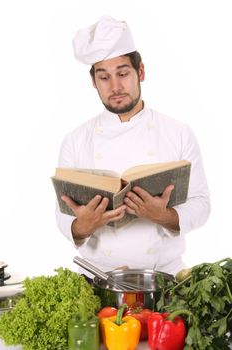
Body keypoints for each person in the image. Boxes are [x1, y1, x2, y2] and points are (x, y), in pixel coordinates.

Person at [55, 16, 211, 276]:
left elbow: (201, 204)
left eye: (123, 74)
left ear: (141, 72)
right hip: (99, 278)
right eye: (104, 77)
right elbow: (62, 213)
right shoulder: (75, 140)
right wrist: (83, 226)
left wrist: (164, 215)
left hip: (163, 277)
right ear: (93, 82)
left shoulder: (178, 132)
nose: (115, 87)